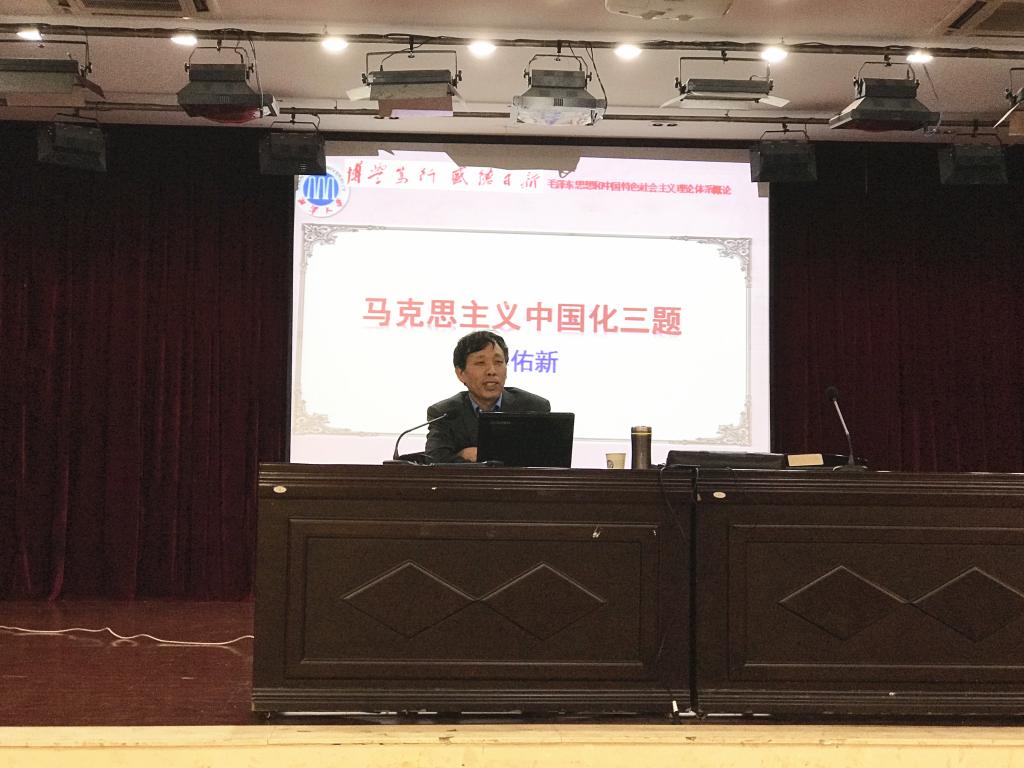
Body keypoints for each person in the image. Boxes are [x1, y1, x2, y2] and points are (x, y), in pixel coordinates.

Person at [425, 331, 550, 463]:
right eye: (480, 363)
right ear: (460, 373)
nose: (492, 371)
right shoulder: (444, 413)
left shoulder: (533, 407)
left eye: (498, 362)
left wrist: (479, 455)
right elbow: (435, 462)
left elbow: (546, 459)